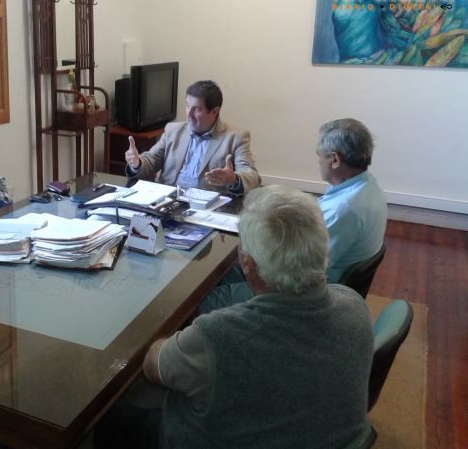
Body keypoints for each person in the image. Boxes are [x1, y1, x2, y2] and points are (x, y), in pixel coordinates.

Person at [95, 185, 374, 449]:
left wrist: (169, 336)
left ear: (247, 264)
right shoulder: (355, 305)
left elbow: (152, 365)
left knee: (109, 420)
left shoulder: (217, 336)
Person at [125, 80, 260, 195]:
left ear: (215, 111)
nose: (189, 115)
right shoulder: (173, 130)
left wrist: (234, 179)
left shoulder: (236, 137)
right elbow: (152, 159)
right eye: (188, 106)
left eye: (197, 109)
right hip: (167, 198)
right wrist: (137, 163)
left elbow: (253, 177)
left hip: (205, 205)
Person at [316, 118, 387, 283]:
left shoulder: (343, 209)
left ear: (334, 160)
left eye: (319, 155)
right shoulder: (370, 185)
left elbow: (304, 270)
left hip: (322, 289)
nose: (319, 162)